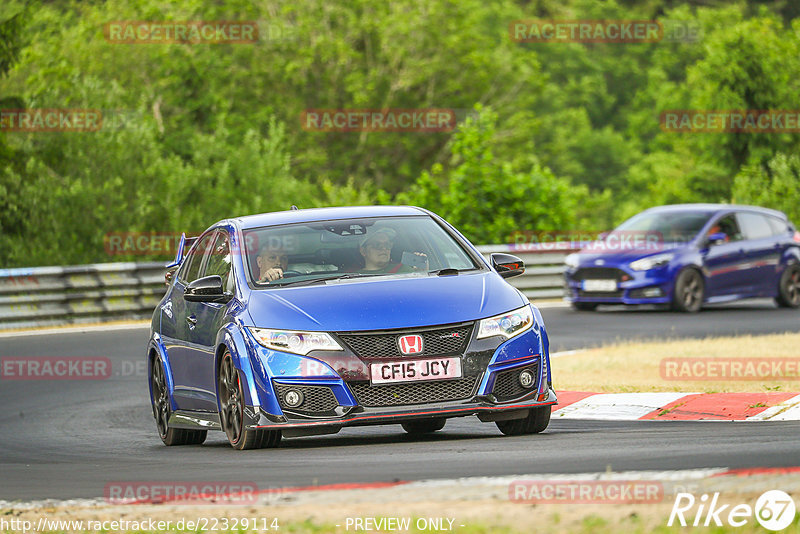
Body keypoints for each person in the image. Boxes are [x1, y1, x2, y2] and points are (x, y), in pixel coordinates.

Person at [358, 228, 427, 274]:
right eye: (377, 245)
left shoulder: (405, 270)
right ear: (363, 251)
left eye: (387, 244)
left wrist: (422, 274)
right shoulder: (353, 278)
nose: (384, 248)